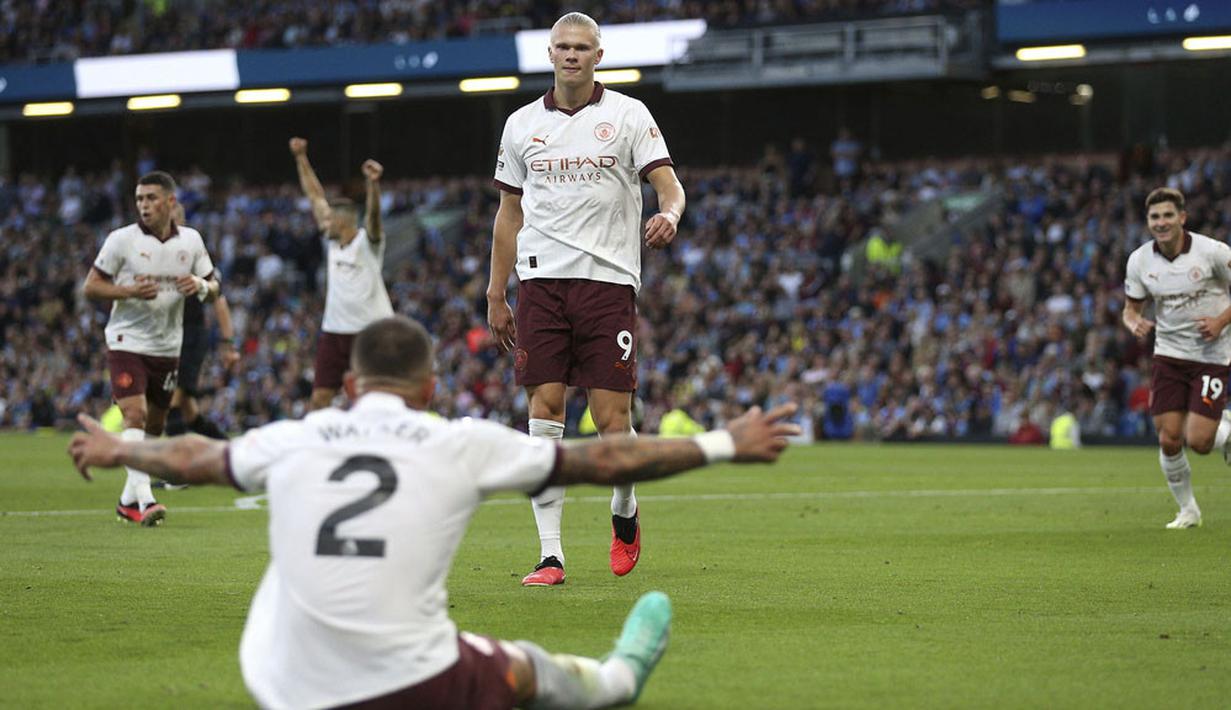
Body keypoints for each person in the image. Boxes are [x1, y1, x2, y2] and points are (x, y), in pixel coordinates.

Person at [67, 315, 800, 710]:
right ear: (428, 387)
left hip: (292, 685)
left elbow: (193, 457)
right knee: (523, 674)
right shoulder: (458, 442)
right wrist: (721, 442)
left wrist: (114, 449)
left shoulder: (291, 438)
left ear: (350, 384)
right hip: (414, 679)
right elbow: (601, 459)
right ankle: (618, 681)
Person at [487, 11, 687, 586]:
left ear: (599, 56)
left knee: (609, 419)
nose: (572, 55)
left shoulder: (628, 115)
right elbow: (508, 213)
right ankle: (551, 555)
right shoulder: (522, 125)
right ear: (549, 55)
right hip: (540, 282)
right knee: (543, 412)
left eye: (583, 47)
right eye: (563, 47)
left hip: (607, 281)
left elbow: (667, 184)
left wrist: (669, 213)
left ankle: (624, 512)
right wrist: (495, 291)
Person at [82, 171, 219, 526]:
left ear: (170, 202)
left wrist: (200, 287)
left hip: (168, 345)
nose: (144, 205)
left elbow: (215, 286)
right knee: (135, 416)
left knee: (155, 425)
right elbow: (91, 287)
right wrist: (128, 291)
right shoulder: (121, 240)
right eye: (140, 198)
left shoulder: (190, 241)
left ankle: (127, 501)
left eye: (151, 198)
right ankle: (145, 501)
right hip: (126, 339)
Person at [1122, 187, 1231, 529]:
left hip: (1211, 355)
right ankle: (1189, 510)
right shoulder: (1140, 260)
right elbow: (1130, 309)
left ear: (1182, 217)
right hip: (1168, 355)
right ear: (1148, 221)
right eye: (1155, 217)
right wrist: (1133, 322)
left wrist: (1219, 321)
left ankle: (1226, 429)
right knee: (1169, 438)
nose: (1162, 222)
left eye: (1168, 215)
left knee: (1199, 441)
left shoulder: (1213, 252)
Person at [290, 137, 394, 410]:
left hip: (368, 333)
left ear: (344, 221)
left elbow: (373, 218)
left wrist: (373, 184)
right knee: (319, 400)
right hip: (334, 333)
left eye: (329, 219)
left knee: (373, 401)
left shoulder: (367, 244)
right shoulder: (332, 245)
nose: (323, 223)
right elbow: (315, 195)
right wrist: (301, 158)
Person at [165, 202, 239, 441]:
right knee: (188, 409)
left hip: (190, 336)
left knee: (169, 402)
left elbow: (218, 300)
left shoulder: (194, 257)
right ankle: (228, 451)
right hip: (167, 337)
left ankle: (175, 475)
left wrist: (228, 344)